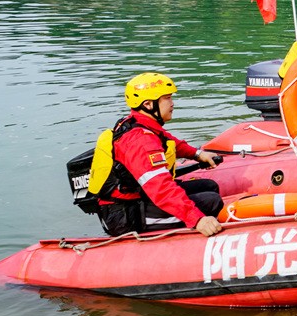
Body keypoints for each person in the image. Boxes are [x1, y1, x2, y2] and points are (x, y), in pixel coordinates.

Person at [90, 73, 224, 237]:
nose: (172, 104)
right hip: (126, 215)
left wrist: (197, 154)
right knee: (211, 201)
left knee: (208, 186)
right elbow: (161, 189)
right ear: (148, 104)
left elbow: (169, 141)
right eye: (167, 98)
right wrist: (197, 219)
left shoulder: (138, 123)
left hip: (138, 197)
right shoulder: (140, 141)